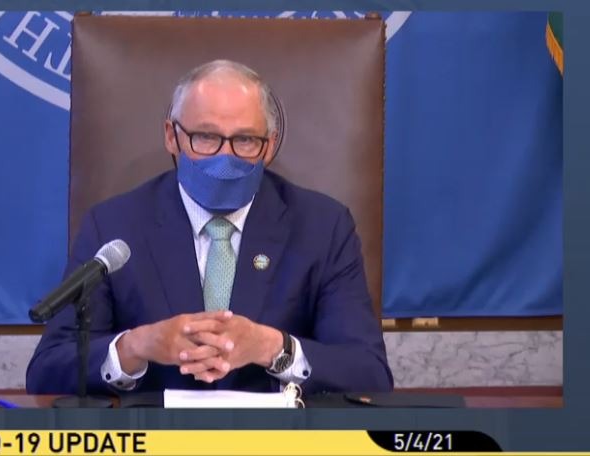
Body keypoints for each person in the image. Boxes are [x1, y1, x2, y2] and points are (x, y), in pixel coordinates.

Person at [26, 60, 393, 395]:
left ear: (270, 145)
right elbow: (48, 370)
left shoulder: (322, 228)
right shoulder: (114, 226)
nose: (225, 157)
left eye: (245, 140)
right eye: (205, 137)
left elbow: (369, 373)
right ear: (172, 136)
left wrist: (273, 348)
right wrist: (136, 347)